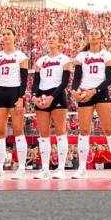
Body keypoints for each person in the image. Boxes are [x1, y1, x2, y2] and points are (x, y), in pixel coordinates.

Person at [70, 30, 111, 179]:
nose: (93, 35)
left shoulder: (107, 55)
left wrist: (95, 90)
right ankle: (82, 168)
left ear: (101, 37)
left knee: (109, 129)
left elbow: (109, 79)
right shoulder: (81, 56)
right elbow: (77, 76)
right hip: (85, 92)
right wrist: (74, 90)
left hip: (100, 92)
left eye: (96, 33)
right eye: (91, 33)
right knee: (84, 130)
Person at [0, 28, 29, 180]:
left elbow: (24, 79)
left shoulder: (21, 56)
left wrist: (21, 97)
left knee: (18, 130)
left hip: (15, 92)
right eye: (3, 34)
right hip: (1, 92)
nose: (5, 36)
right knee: (0, 132)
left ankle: (22, 168)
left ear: (15, 37)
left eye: (8, 34)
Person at [32, 32, 72, 179]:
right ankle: (44, 169)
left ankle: (61, 168)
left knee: (60, 131)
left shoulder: (65, 59)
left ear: (59, 42)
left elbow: (65, 82)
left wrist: (52, 97)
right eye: (49, 38)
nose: (51, 40)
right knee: (43, 134)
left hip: (57, 95)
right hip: (42, 94)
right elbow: (36, 81)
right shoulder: (40, 61)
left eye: (54, 38)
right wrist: (35, 96)